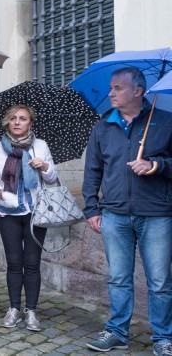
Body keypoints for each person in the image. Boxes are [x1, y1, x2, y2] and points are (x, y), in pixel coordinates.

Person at [82, 67, 172, 355]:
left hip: (156, 213)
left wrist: (155, 166)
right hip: (114, 214)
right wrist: (91, 208)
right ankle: (117, 331)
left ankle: (163, 337)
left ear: (138, 91)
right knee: (118, 277)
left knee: (158, 281)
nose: (111, 93)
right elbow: (92, 170)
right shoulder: (102, 126)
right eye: (111, 87)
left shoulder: (165, 121)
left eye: (118, 88)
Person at [0, 105, 57, 332]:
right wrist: (1, 193)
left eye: (22, 119)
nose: (17, 122)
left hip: (36, 212)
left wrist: (43, 166)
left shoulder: (40, 146)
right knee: (14, 263)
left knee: (32, 264)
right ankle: (14, 308)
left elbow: (52, 178)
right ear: (7, 122)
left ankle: (31, 311)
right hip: (8, 212)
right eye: (13, 118)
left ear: (30, 123)